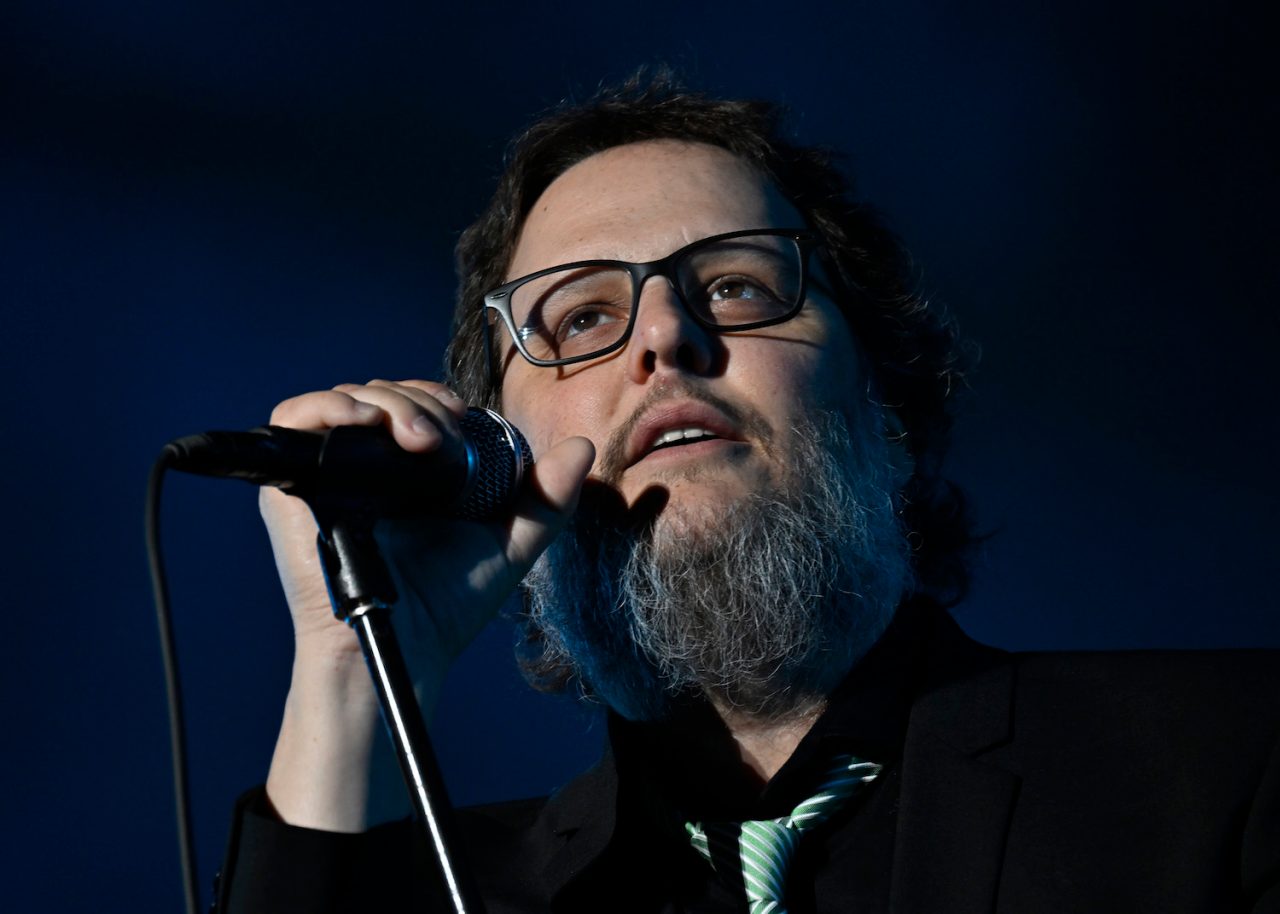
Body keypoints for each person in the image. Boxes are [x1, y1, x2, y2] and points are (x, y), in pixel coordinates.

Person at [213, 75, 1280, 913]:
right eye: (581, 318)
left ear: (888, 409)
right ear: (503, 446)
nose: (666, 335)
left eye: (734, 284)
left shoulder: (1223, 765)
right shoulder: (462, 893)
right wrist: (357, 653)